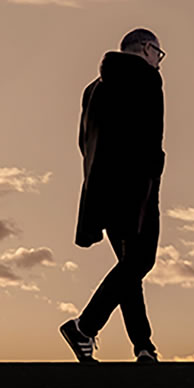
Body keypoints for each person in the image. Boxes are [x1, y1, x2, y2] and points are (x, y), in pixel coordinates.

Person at [61, 28, 166, 364]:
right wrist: (153, 176)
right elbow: (152, 139)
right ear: (148, 49)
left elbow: (84, 142)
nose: (159, 63)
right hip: (136, 189)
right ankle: (84, 327)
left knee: (128, 268)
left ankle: (143, 346)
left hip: (101, 191)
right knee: (140, 261)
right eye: (159, 55)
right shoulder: (148, 79)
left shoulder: (93, 89)